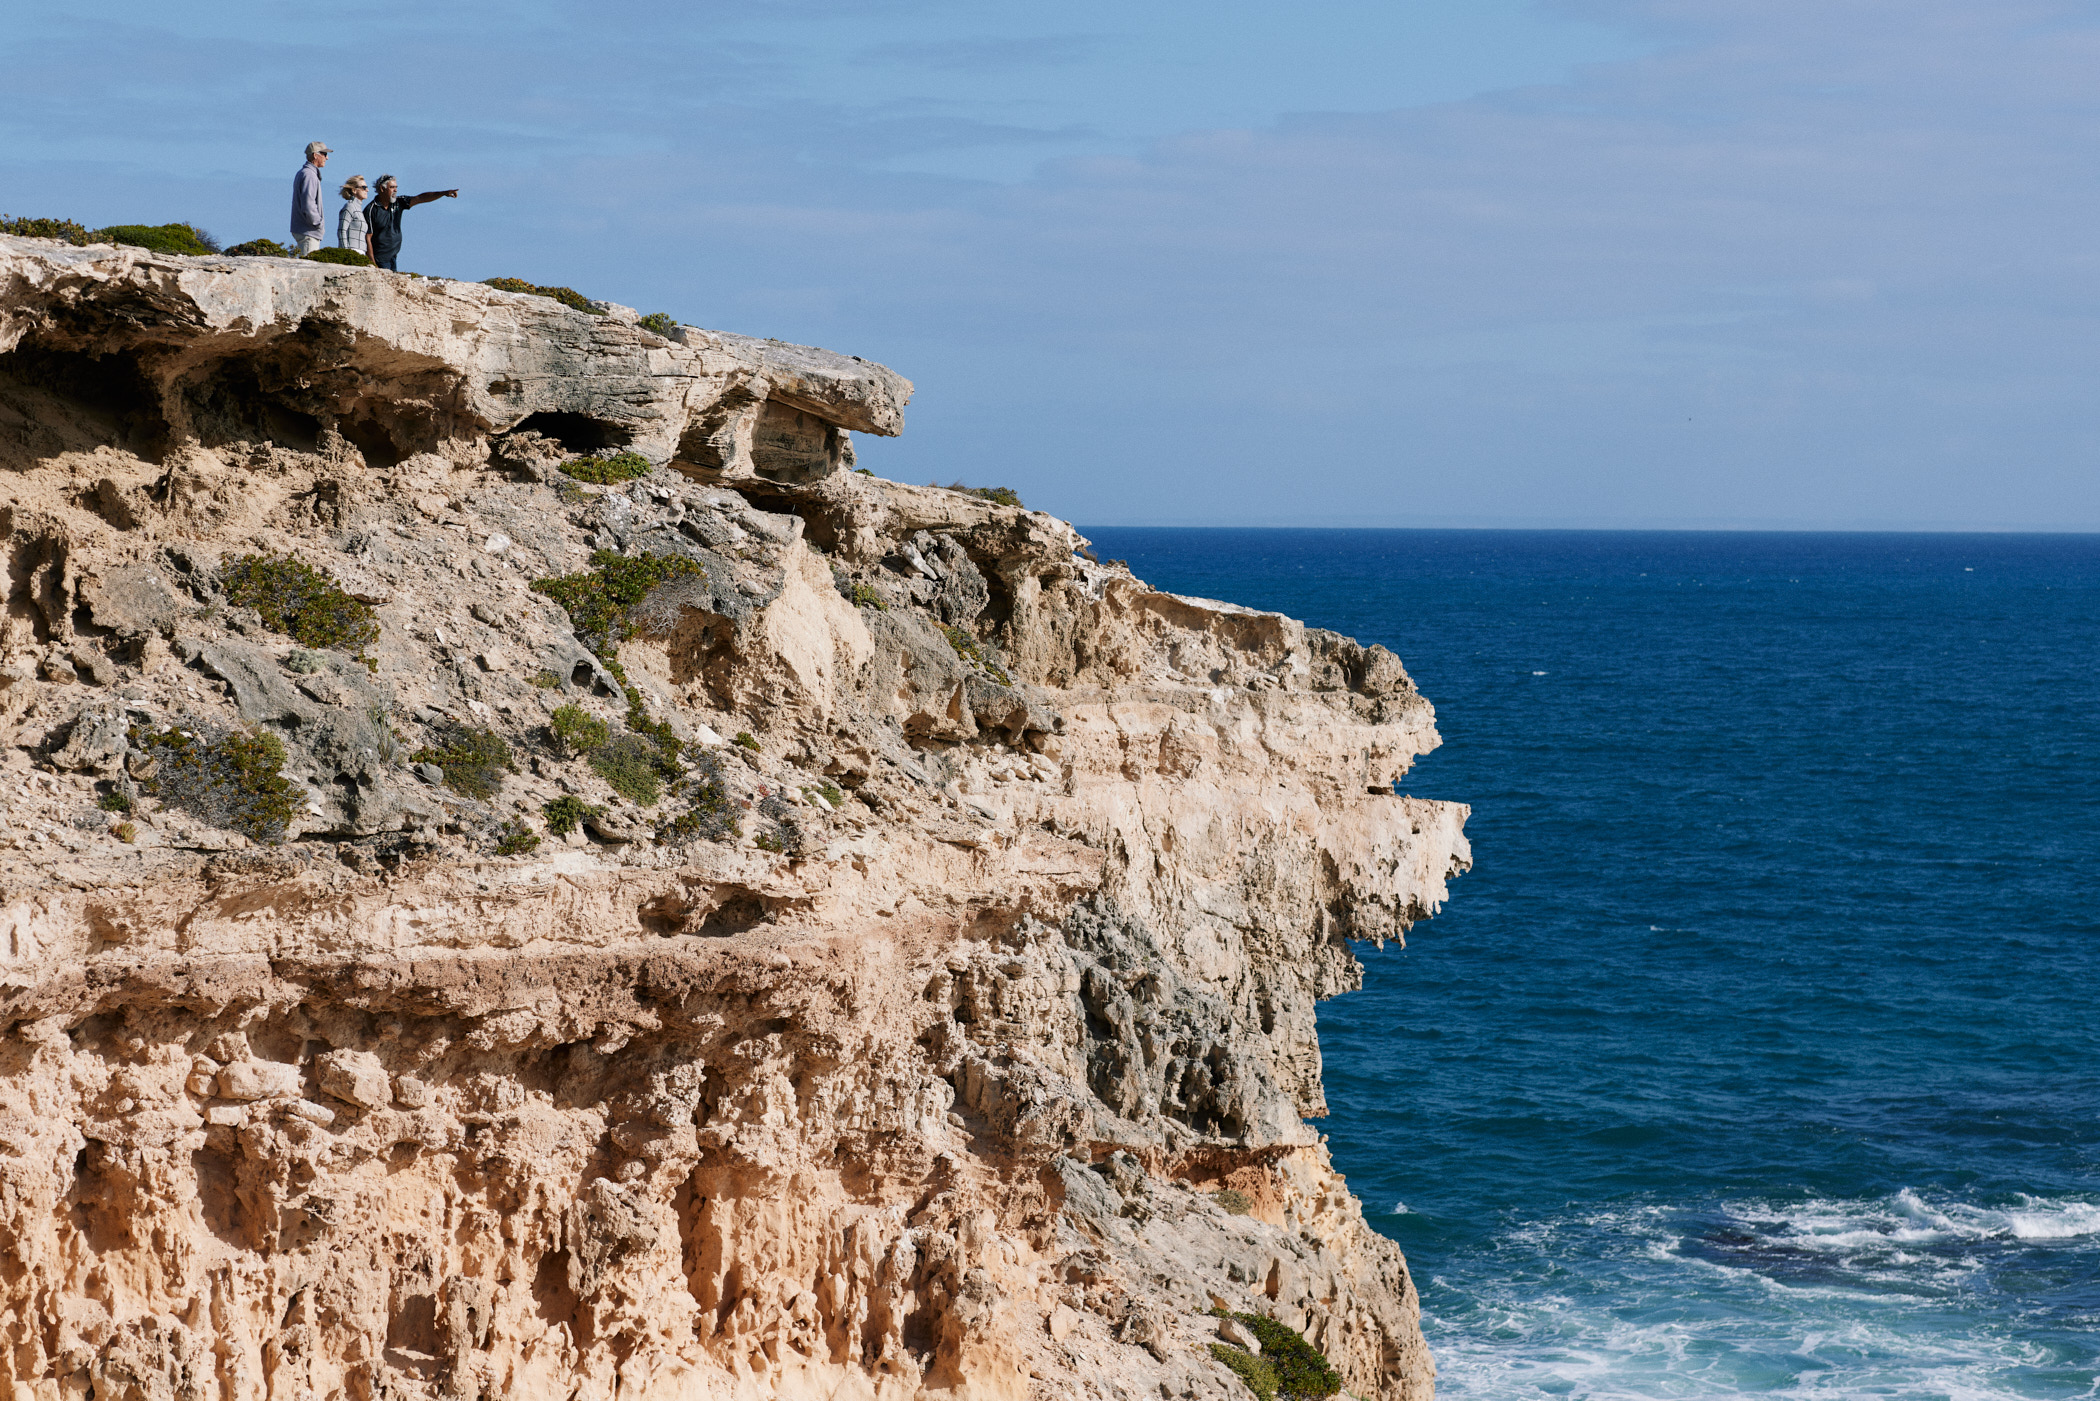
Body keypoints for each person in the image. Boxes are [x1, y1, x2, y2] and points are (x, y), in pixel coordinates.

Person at [362, 176, 457, 272]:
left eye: (396, 187)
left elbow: (420, 198)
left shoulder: (399, 202)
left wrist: (443, 193)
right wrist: (373, 264)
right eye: (392, 187)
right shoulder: (371, 209)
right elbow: (367, 238)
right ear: (382, 189)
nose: (395, 190)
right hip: (379, 258)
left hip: (393, 256)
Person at [289, 142, 331, 254]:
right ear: (315, 155)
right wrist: (318, 223)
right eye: (324, 154)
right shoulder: (309, 175)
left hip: (306, 230)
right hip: (308, 231)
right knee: (308, 265)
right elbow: (308, 204)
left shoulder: (304, 173)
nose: (327, 158)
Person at [336, 175, 370, 252]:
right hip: (352, 250)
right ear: (354, 190)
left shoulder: (359, 209)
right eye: (364, 187)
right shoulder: (349, 206)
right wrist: (346, 252)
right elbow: (341, 230)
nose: (367, 190)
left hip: (361, 251)